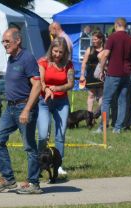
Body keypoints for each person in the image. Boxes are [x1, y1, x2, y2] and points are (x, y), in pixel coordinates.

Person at [0, 28, 42, 195]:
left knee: (29, 146)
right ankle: (9, 180)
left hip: (24, 107)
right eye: (3, 42)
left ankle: (34, 183)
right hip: (10, 108)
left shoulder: (27, 58)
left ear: (18, 40)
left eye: (7, 41)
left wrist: (26, 110)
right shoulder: (11, 59)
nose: (4, 44)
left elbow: (38, 85)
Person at [37, 38, 73, 182]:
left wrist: (57, 88)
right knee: (43, 134)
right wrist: (47, 89)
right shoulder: (43, 62)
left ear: (65, 53)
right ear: (51, 49)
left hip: (61, 101)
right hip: (44, 101)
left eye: (61, 52)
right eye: (55, 51)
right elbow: (41, 81)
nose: (57, 54)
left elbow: (70, 83)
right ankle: (39, 163)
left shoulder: (68, 65)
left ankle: (58, 165)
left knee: (61, 133)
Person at [96, 18, 131, 133]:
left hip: (113, 73)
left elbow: (105, 55)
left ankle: (103, 127)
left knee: (106, 100)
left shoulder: (112, 37)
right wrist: (130, 71)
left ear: (116, 25)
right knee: (122, 101)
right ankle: (117, 128)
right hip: (126, 74)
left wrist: (102, 69)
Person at [79, 30, 104, 116]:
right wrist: (82, 75)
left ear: (101, 39)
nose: (93, 41)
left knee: (101, 95)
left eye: (95, 39)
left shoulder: (105, 49)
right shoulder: (90, 49)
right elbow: (84, 63)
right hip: (90, 74)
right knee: (91, 94)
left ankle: (100, 115)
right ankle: (89, 116)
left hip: (102, 73)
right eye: (92, 39)